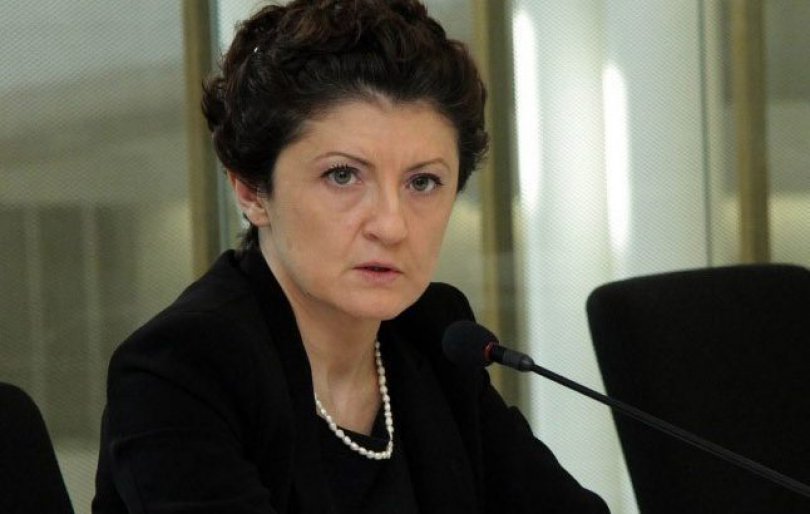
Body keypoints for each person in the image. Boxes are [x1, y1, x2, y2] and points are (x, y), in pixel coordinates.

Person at [92, 1, 609, 512]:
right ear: (251, 190)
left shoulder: (433, 335)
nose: (391, 225)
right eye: (342, 176)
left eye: (423, 182)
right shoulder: (181, 368)